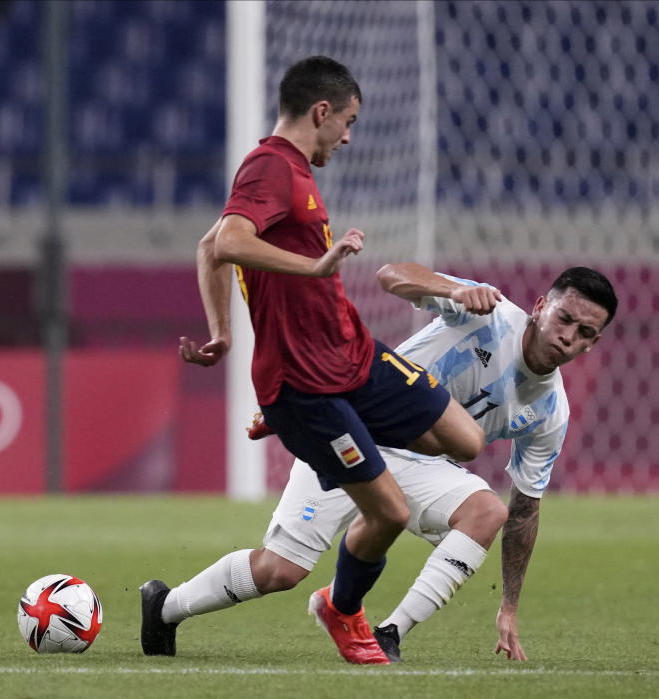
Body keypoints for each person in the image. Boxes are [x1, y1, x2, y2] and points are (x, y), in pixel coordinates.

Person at [141, 56, 487, 665]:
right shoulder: (270, 164)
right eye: (347, 121)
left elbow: (209, 245)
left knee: (463, 438)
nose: (349, 136)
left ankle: (304, 432)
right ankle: (343, 608)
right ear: (321, 112)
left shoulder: (295, 172)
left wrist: (221, 330)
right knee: (389, 514)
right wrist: (318, 266)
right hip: (306, 384)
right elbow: (225, 242)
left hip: (351, 356)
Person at [144, 262, 618, 663]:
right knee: (280, 571)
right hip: (349, 427)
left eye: (584, 333)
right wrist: (451, 288)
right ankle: (165, 606)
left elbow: (525, 510)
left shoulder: (552, 413)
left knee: (487, 510)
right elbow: (391, 275)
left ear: (592, 345)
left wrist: (509, 606)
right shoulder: (487, 313)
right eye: (565, 318)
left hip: (419, 462)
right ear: (541, 307)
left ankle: (388, 633)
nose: (568, 336)